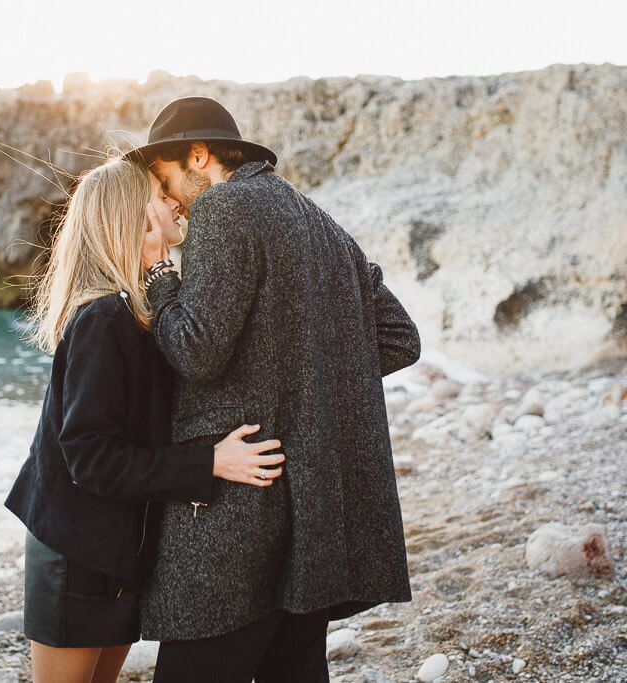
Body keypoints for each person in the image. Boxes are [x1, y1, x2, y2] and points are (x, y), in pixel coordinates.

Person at [122, 96, 422, 682]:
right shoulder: (316, 219)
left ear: (199, 156)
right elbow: (397, 337)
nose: (171, 201)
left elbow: (197, 352)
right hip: (313, 519)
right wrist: (304, 390)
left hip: (240, 507)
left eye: (165, 181)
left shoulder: (224, 208)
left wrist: (159, 272)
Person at [3, 156, 288, 683]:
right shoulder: (103, 319)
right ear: (130, 216)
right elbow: (90, 458)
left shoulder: (142, 314)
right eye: (161, 194)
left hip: (117, 549)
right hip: (74, 553)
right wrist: (211, 463)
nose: (176, 201)